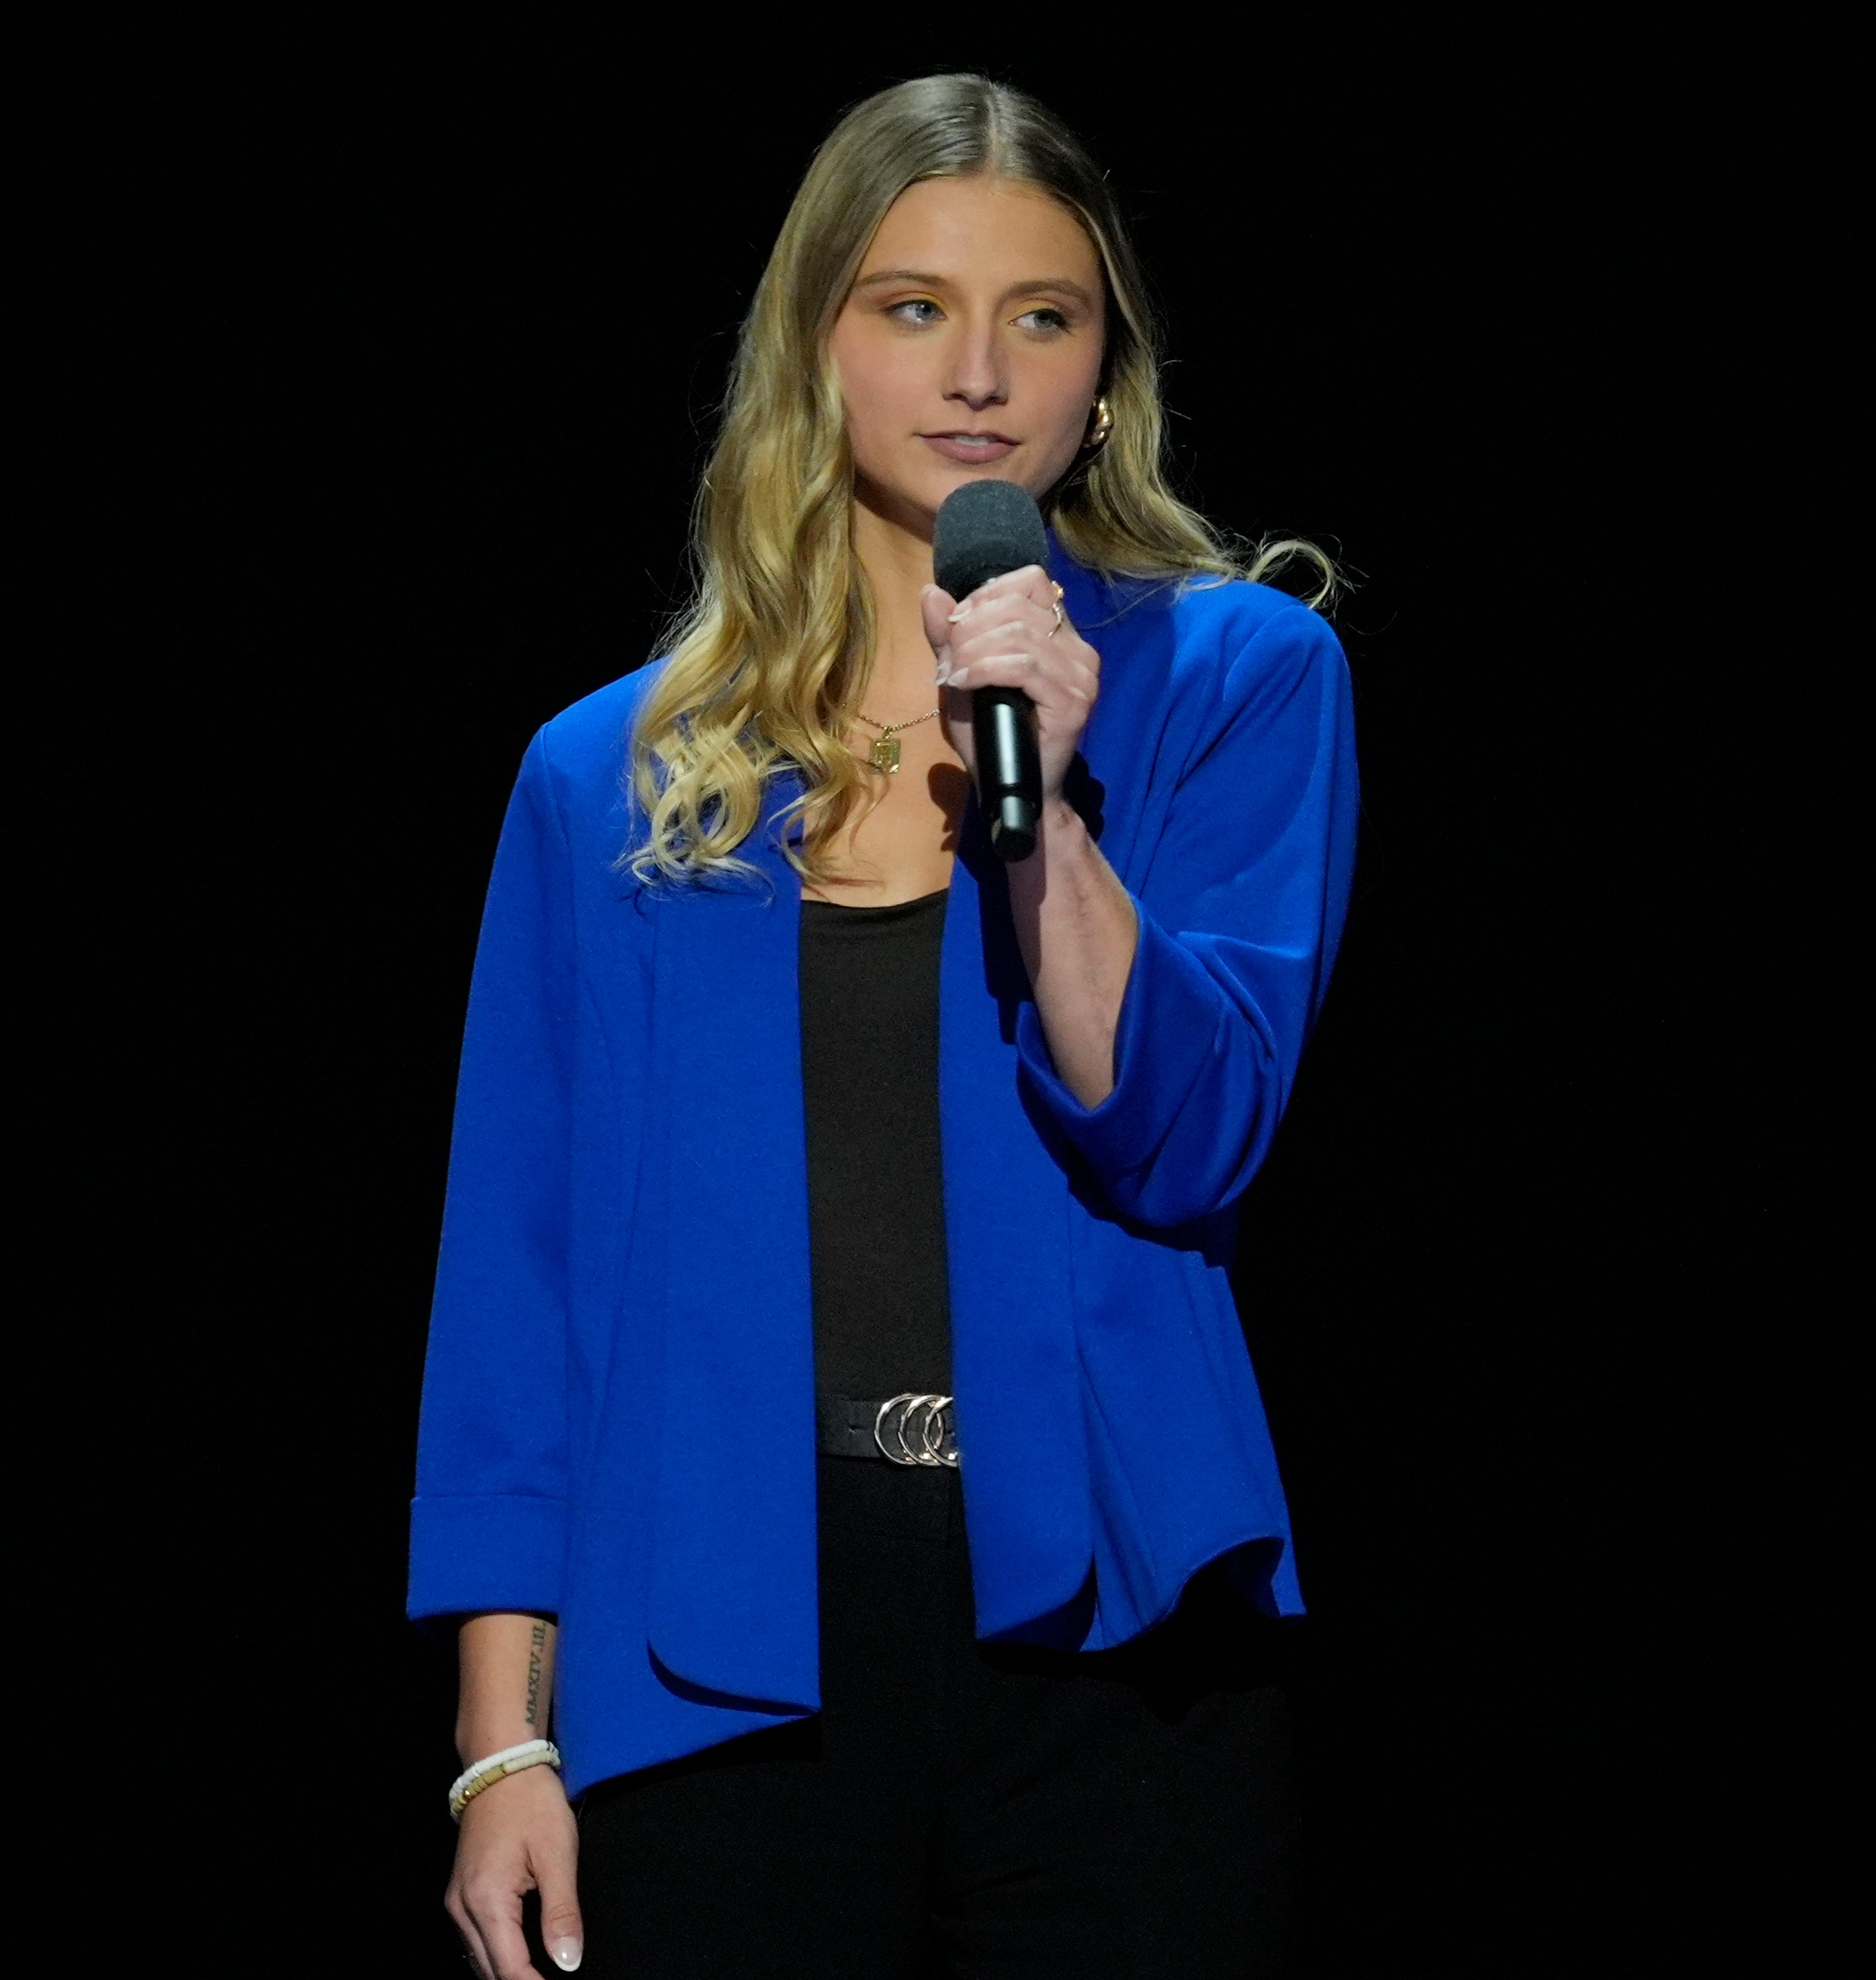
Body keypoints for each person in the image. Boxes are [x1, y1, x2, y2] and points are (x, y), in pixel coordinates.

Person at [414, 73, 1357, 1978]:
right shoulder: (612, 774)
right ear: (815, 343)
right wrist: (502, 1739)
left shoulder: (1236, 680)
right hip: (725, 1650)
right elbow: (520, 1296)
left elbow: (1183, 1133)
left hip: (1114, 1666)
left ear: (1107, 370)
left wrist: (1054, 800)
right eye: (913, 306)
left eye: (1045, 315)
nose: (982, 370)